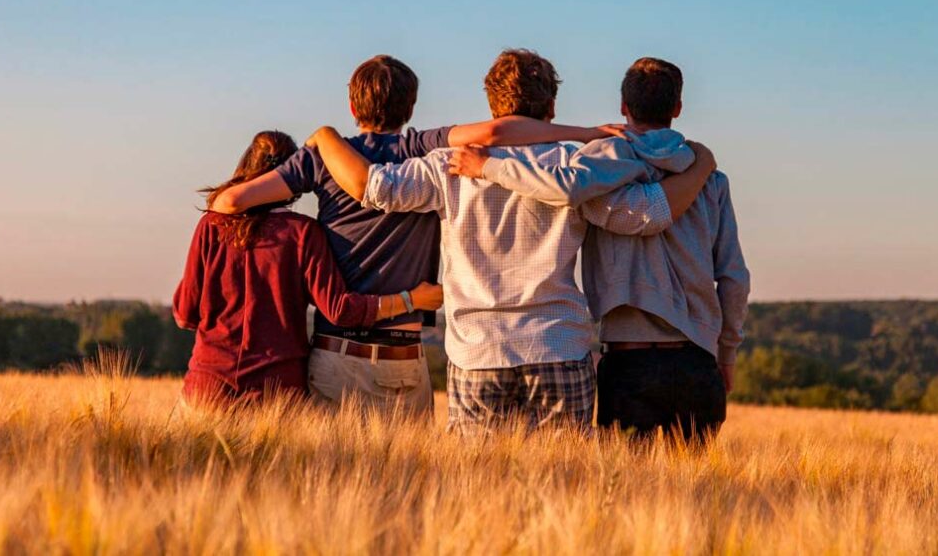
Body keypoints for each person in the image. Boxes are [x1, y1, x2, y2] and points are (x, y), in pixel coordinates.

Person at [304, 49, 715, 433]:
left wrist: (325, 137)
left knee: (477, 489)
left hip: (477, 352)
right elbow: (644, 215)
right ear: (551, 108)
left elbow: (373, 187)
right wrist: (700, 168)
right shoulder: (577, 164)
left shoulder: (447, 164)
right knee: (565, 489)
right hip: (558, 345)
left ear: (492, 106)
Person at [207, 54, 627, 416]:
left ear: (352, 105)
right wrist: (585, 133)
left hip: (339, 353)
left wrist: (318, 146)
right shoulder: (422, 148)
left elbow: (229, 204)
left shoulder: (324, 157)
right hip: (407, 357)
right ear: (411, 107)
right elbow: (497, 133)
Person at [450, 57, 750, 443]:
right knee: (698, 496)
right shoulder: (711, 179)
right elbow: (733, 277)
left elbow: (563, 188)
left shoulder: (597, 167)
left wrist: (489, 167)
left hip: (628, 361)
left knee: (622, 493)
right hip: (697, 360)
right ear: (677, 108)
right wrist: (727, 353)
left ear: (623, 107)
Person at [173, 130, 443, 409]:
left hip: (208, 387)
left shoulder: (211, 226)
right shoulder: (303, 233)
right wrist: (410, 300)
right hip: (277, 393)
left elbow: (185, 314)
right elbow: (340, 310)